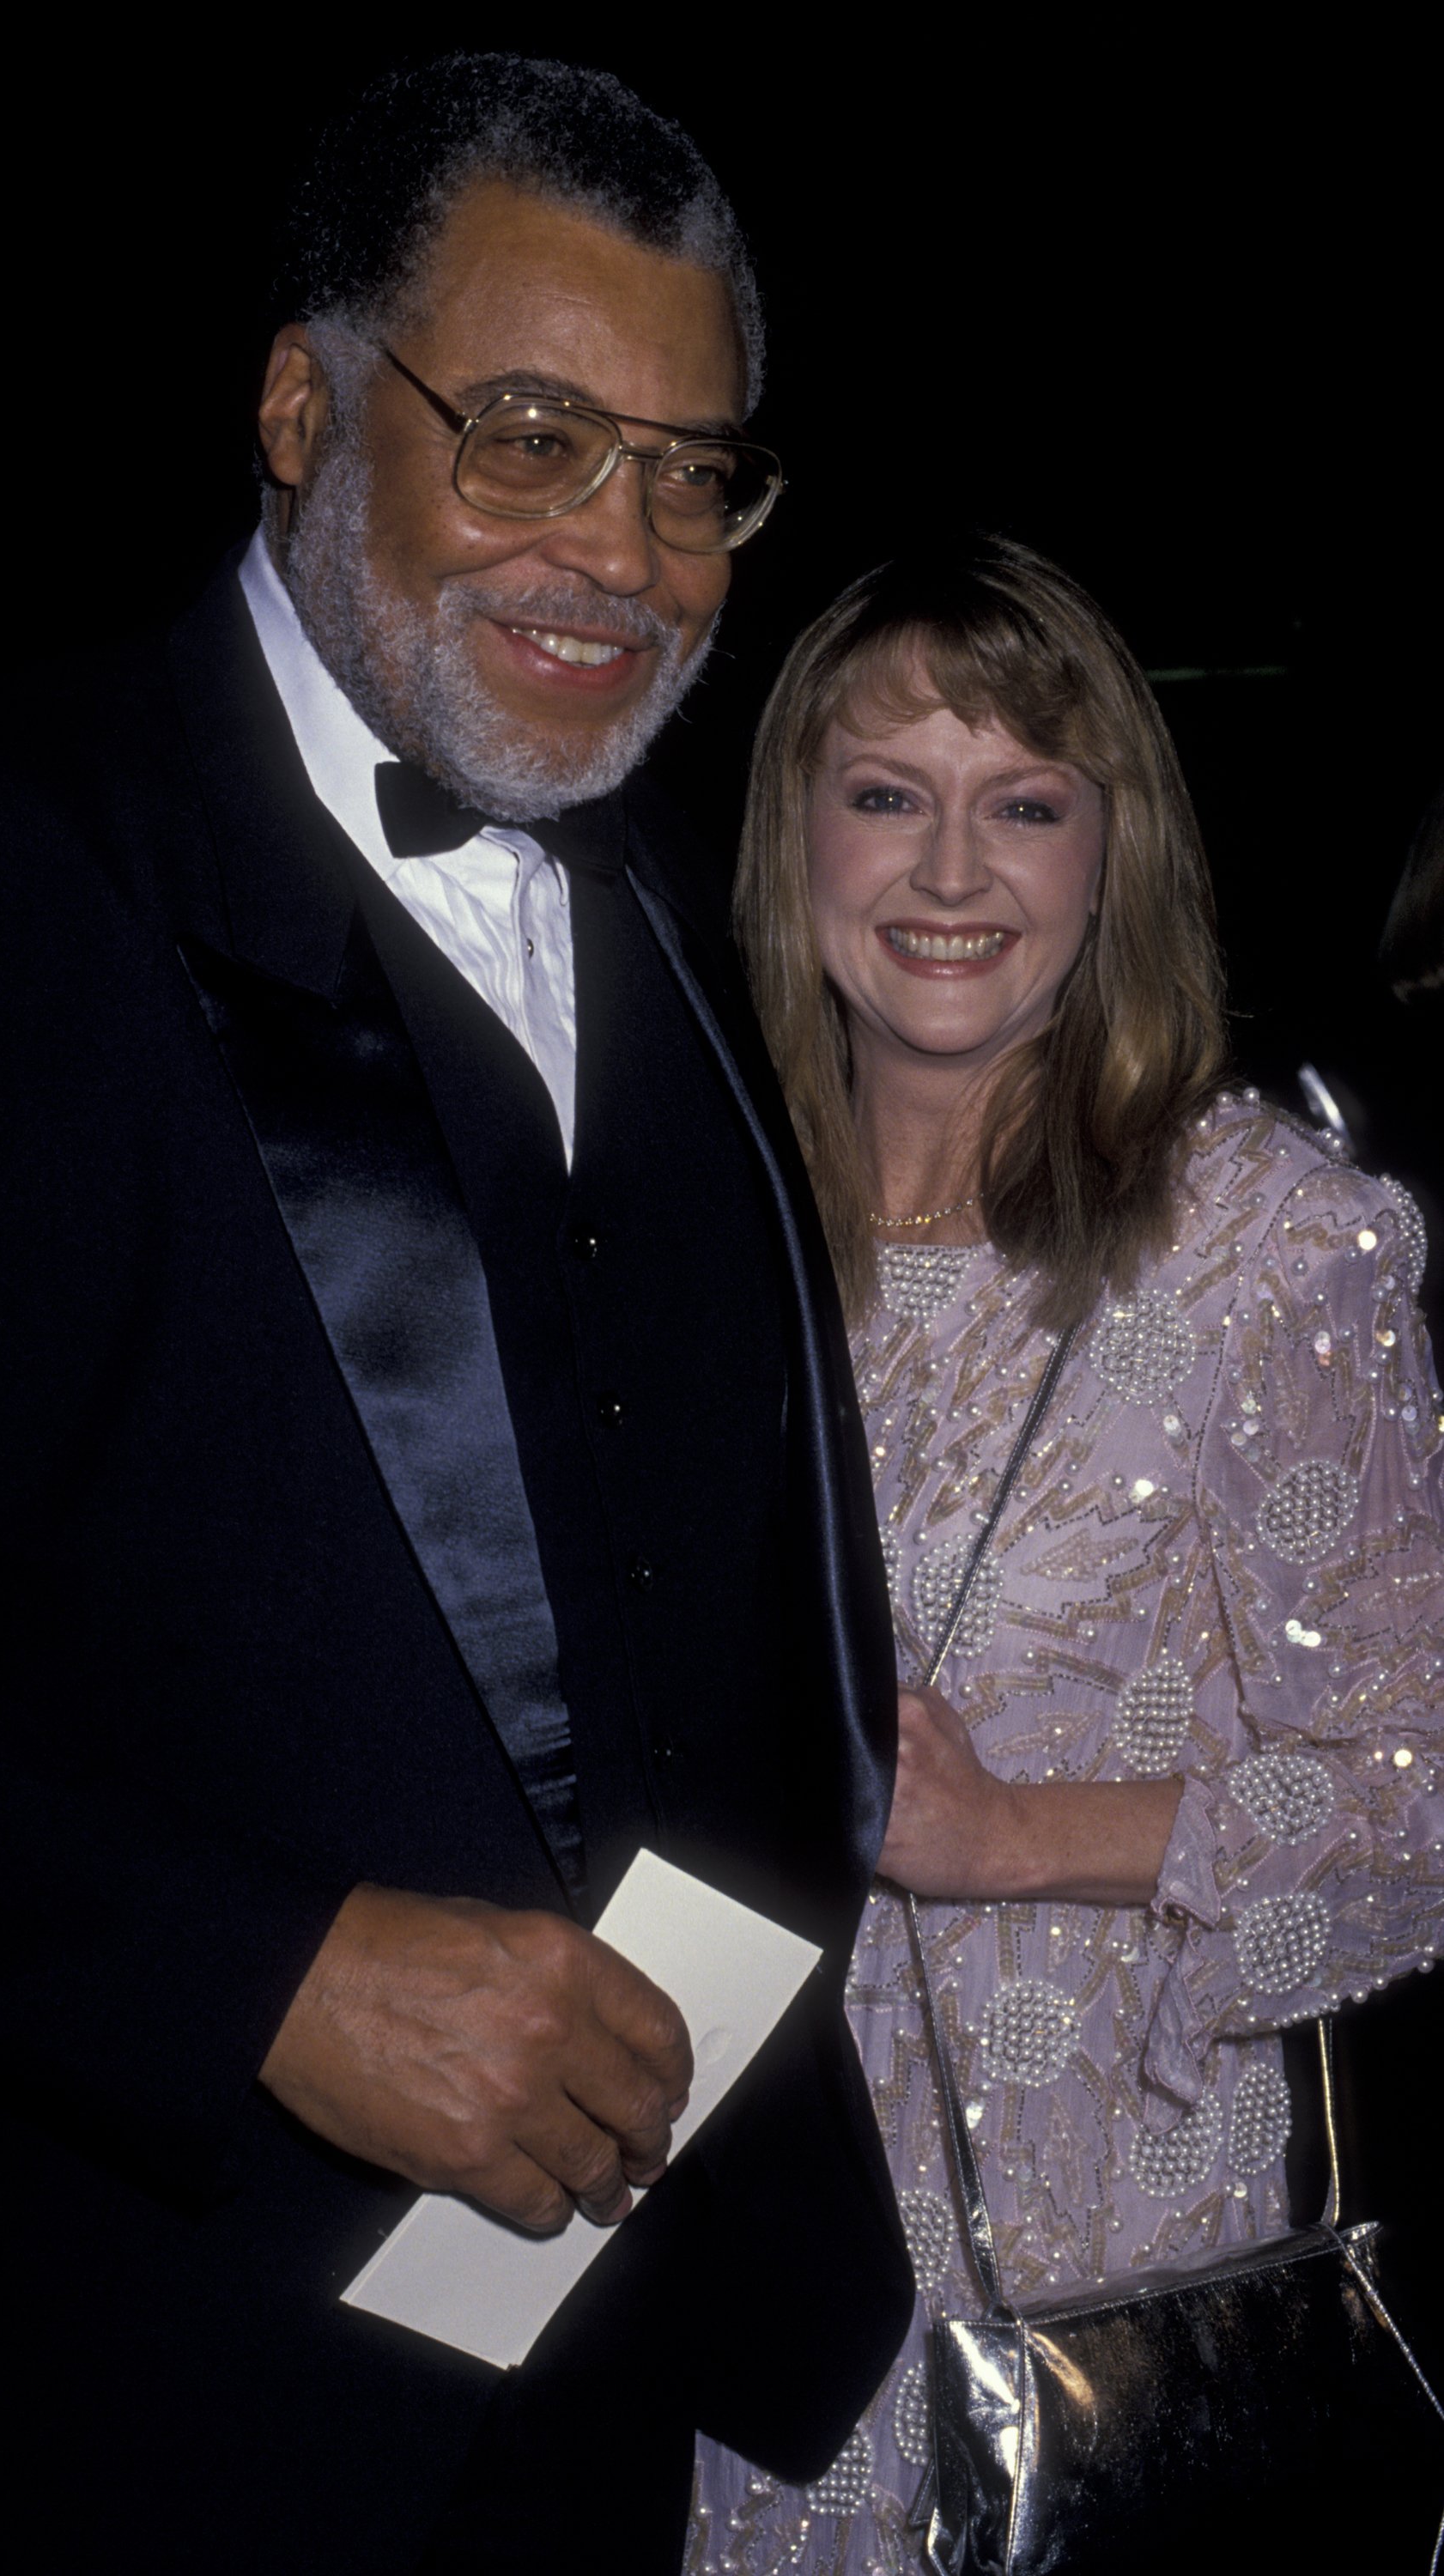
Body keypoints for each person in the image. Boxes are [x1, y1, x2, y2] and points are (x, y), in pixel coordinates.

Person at [0, 57, 912, 2576]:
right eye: (533, 434)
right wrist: (244, 1982)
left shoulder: (683, 907)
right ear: (296, 401)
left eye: (691, 472)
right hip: (137, 2394)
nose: (624, 549)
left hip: (624, 2371)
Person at [689, 542, 1444, 2572]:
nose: (950, 869)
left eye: (1022, 803)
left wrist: (1009, 1831)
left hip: (1090, 2255)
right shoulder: (693, 1219)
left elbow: (1410, 1810)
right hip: (729, 2237)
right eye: (885, 794)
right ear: (793, 838)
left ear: (1111, 861)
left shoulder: (1272, 1247)